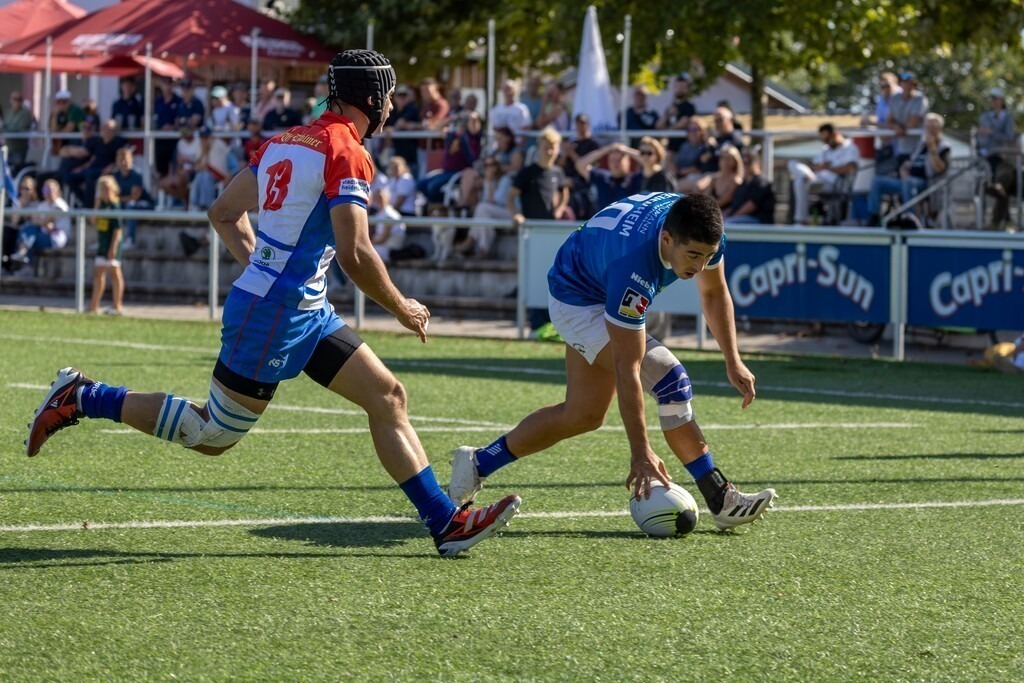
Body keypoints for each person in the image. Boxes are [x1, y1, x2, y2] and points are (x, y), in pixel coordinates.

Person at [25, 49, 520, 558]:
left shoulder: (284, 141)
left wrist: (263, 266)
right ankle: (83, 397)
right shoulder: (347, 151)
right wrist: (401, 307)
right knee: (211, 434)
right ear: (371, 99)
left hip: (304, 310)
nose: (393, 106)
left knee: (388, 396)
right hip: (276, 315)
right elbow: (355, 253)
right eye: (389, 96)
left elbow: (223, 212)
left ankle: (444, 522)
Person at [446, 192, 777, 531]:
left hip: (594, 271)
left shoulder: (700, 227)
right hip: (577, 300)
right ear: (667, 239)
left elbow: (713, 291)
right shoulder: (634, 268)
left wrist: (732, 359)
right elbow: (627, 369)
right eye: (693, 255)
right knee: (669, 380)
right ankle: (720, 498)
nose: (700, 266)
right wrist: (641, 452)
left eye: (708, 256)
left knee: (583, 414)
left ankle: (478, 462)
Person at [867, 112, 950, 226]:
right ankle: (874, 216)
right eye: (927, 128)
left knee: (908, 182)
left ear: (940, 130)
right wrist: (903, 171)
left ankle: (910, 218)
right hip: (907, 181)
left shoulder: (944, 147)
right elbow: (908, 162)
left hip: (928, 184)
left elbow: (939, 169)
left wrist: (932, 147)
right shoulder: (920, 144)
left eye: (933, 128)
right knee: (877, 181)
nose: (930, 131)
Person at [786, 123, 861, 225]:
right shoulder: (826, 149)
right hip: (818, 179)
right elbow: (814, 165)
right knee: (793, 164)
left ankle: (800, 221)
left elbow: (849, 168)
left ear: (835, 134)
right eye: (824, 140)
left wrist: (827, 168)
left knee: (799, 181)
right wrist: (819, 167)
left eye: (827, 139)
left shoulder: (850, 148)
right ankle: (807, 177)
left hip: (835, 184)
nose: (826, 143)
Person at [7, 179, 70, 274]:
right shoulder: (42, 205)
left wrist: (41, 222)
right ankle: (25, 262)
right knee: (28, 231)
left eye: (50, 190)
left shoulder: (60, 204)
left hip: (56, 238)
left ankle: (24, 257)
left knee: (29, 234)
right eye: (45, 190)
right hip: (44, 234)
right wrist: (41, 222)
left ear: (57, 191)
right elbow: (34, 220)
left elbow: (45, 220)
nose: (48, 193)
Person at [978, 87, 1017, 230]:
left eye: (996, 99)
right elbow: (981, 138)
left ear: (1002, 100)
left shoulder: (1008, 116)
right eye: (992, 99)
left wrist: (992, 132)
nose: (994, 101)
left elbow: (1009, 137)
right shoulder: (985, 116)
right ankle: (1004, 220)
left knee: (1003, 183)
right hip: (988, 157)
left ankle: (999, 220)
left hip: (1002, 157)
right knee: (1002, 186)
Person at [87, 175, 125, 315]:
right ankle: (94, 305)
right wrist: (97, 204)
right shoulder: (102, 205)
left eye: (107, 189)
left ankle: (117, 305)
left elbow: (118, 230)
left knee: (115, 273)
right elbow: (93, 221)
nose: (105, 192)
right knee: (98, 273)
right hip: (102, 244)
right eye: (102, 189)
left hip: (111, 244)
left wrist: (113, 248)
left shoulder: (115, 206)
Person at [574, 142, 644, 210]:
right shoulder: (602, 177)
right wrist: (606, 150)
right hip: (605, 218)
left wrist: (626, 149)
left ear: (628, 162)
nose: (615, 164)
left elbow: (647, 162)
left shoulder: (635, 179)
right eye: (612, 160)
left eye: (619, 160)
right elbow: (580, 165)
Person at [724, 148, 776, 225]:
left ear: (757, 163)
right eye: (744, 162)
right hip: (741, 219)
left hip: (758, 221)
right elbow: (735, 204)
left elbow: (750, 206)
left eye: (749, 161)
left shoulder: (762, 183)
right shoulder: (744, 183)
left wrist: (732, 217)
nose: (746, 164)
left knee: (728, 223)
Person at [4, 91, 35, 172]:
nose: (17, 102)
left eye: (19, 99)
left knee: (16, 170)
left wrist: (6, 129)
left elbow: (19, 128)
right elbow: (4, 126)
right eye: (15, 99)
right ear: (10, 100)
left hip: (19, 149)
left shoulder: (25, 113)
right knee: (5, 170)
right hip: (8, 147)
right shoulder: (8, 112)